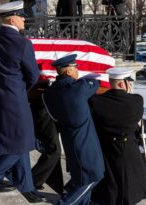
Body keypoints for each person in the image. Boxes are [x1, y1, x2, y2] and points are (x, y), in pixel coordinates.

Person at [0, 1, 44, 203]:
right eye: (22, 16)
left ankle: (26, 186)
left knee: (19, 141)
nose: (24, 19)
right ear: (13, 18)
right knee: (23, 142)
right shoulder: (23, 44)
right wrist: (19, 89)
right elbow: (33, 75)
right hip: (15, 98)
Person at [42, 54, 104, 205]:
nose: (78, 71)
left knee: (80, 177)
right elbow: (95, 83)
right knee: (91, 177)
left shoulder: (49, 93)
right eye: (76, 68)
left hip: (69, 139)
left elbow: (54, 116)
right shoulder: (79, 88)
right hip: (85, 142)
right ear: (68, 71)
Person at [89, 67, 146, 205]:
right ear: (124, 84)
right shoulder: (137, 101)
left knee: (110, 189)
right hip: (129, 148)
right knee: (130, 188)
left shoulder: (96, 101)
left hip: (108, 149)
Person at [28, 79, 64, 194]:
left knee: (52, 148)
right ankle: (32, 180)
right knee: (54, 150)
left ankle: (51, 181)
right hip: (44, 109)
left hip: (51, 107)